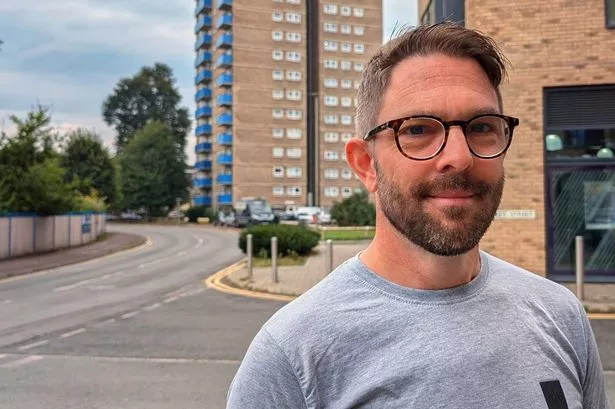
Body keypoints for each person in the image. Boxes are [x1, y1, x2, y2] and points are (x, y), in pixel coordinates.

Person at [227, 22, 610, 408]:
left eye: (481, 127)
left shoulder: (560, 316)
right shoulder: (292, 357)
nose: (459, 157)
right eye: (417, 129)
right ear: (366, 165)